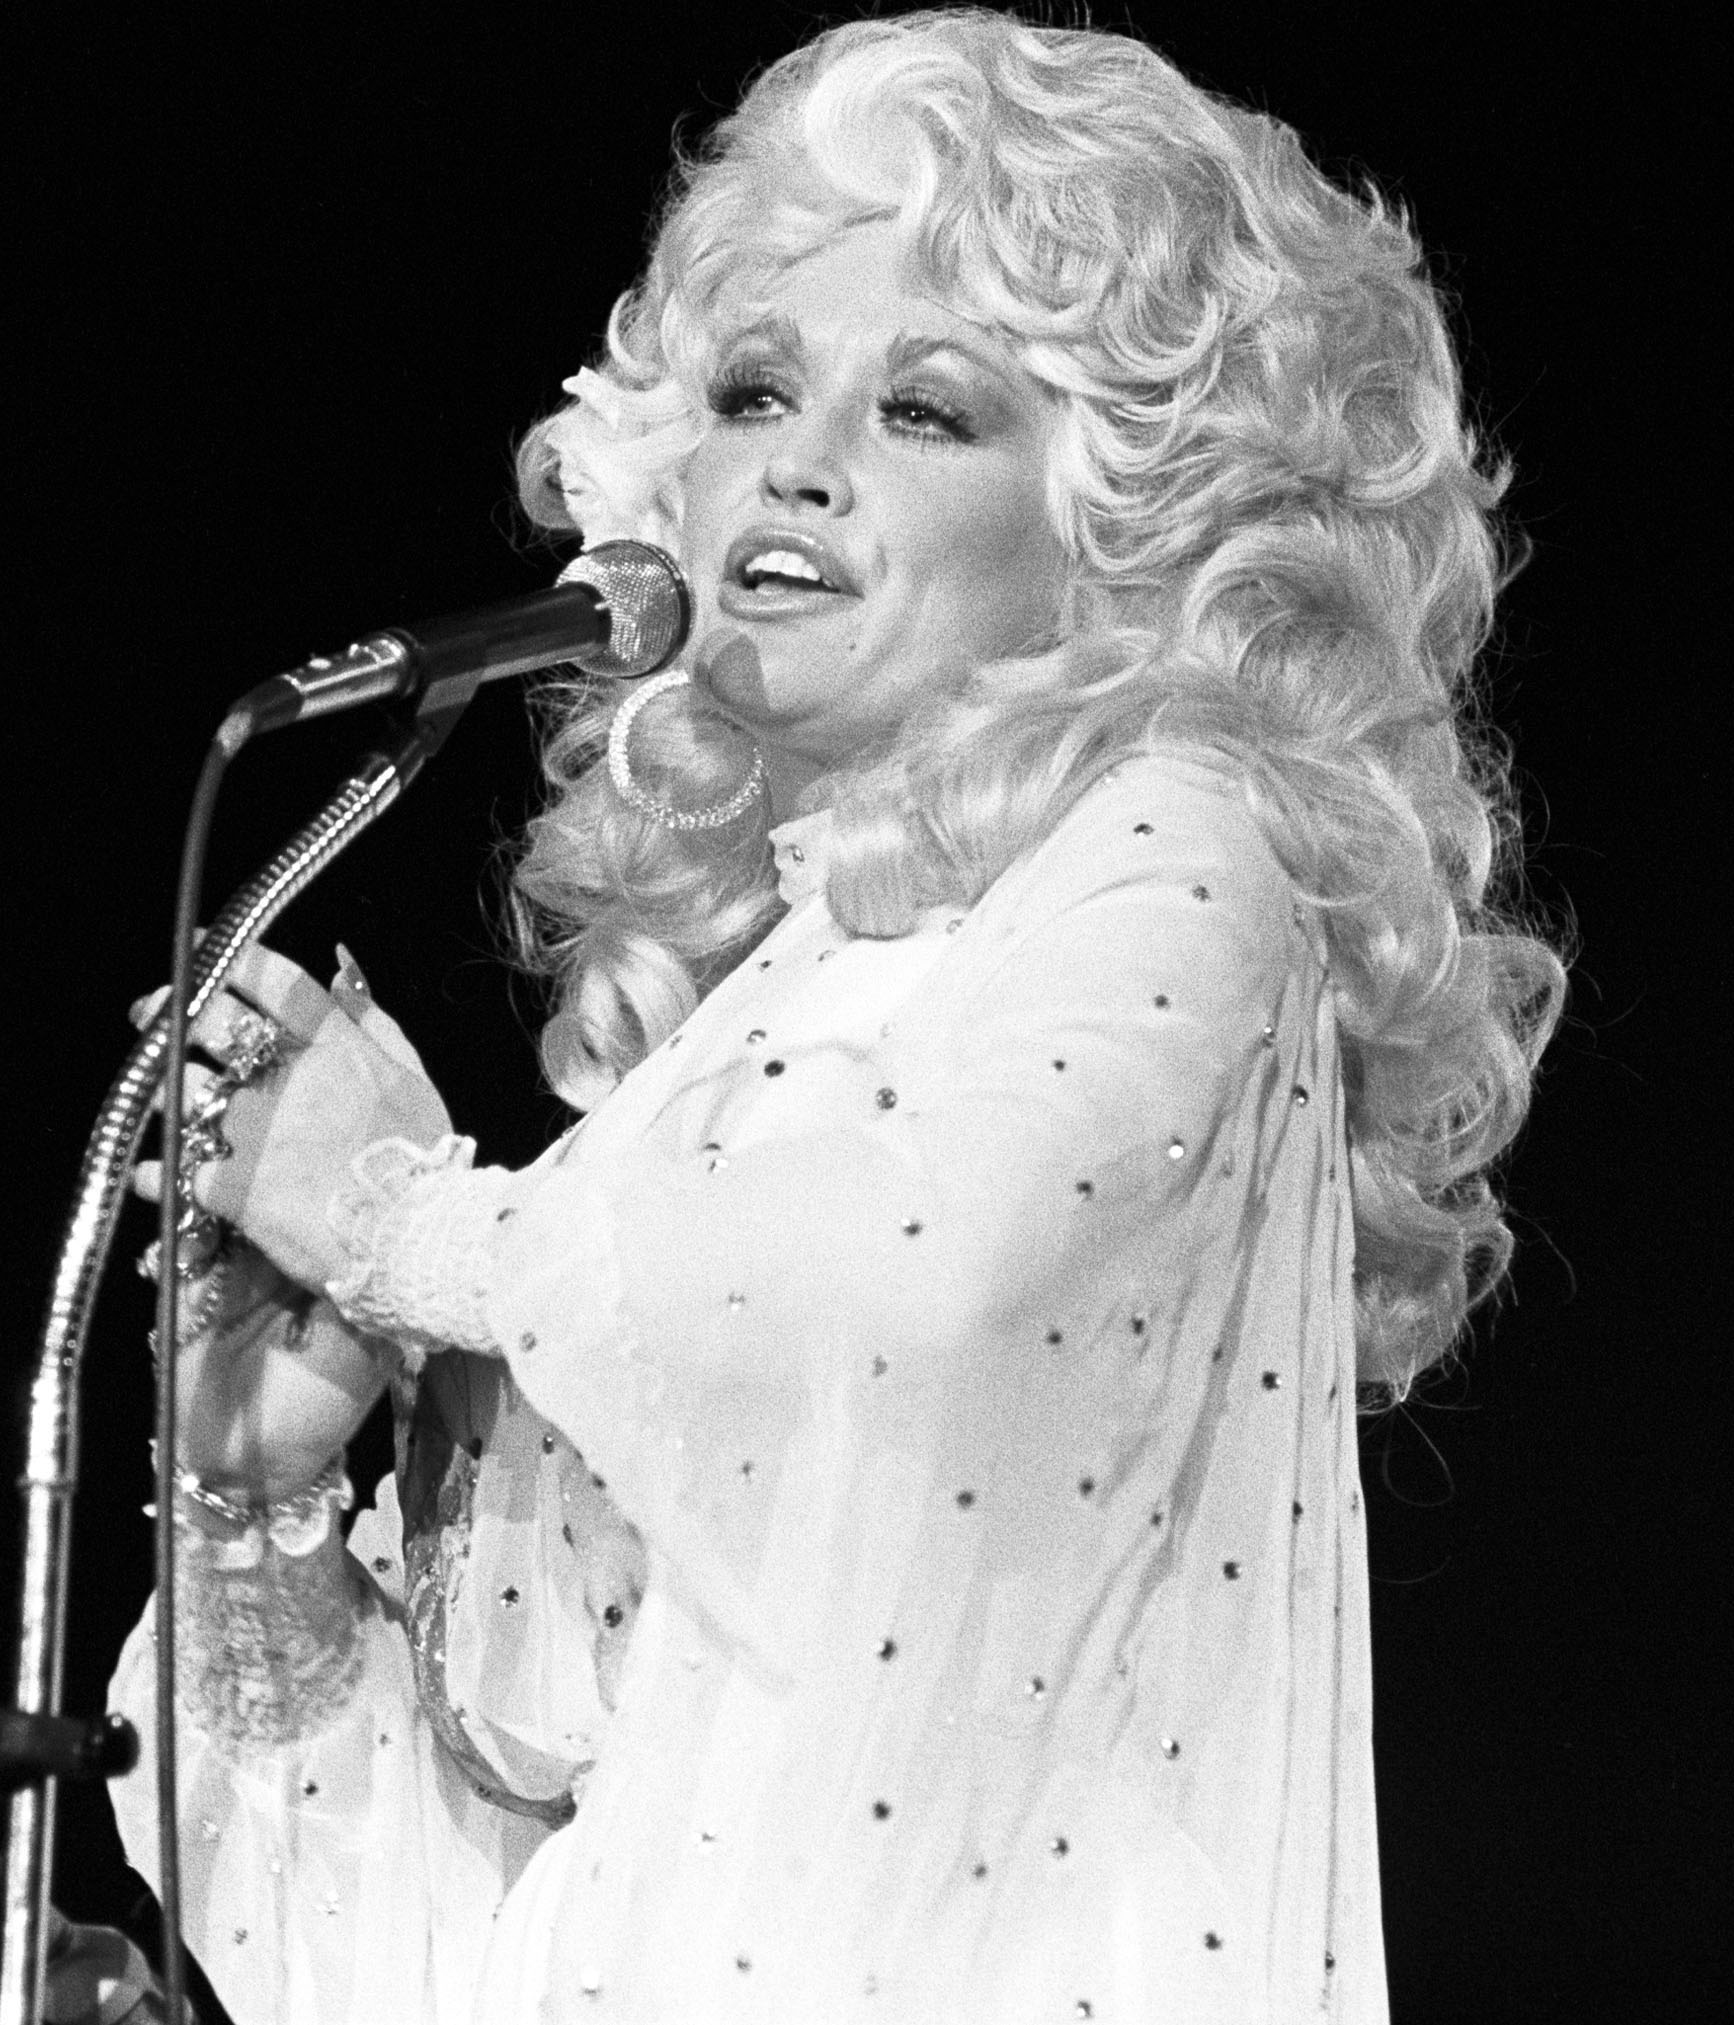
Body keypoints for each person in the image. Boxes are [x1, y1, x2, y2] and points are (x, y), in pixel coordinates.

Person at [107, 11, 1563, 2021]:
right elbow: (463, 1952)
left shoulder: (1180, 853)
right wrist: (263, 1496)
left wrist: (402, 1219)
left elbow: (930, 1266)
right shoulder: (733, 1045)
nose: (796, 463)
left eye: (927, 411)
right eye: (752, 389)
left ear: (1122, 523)